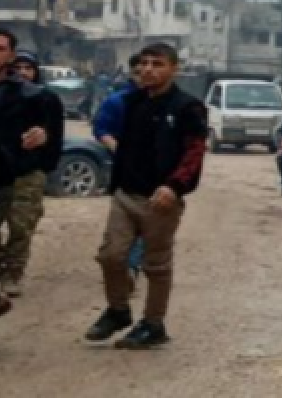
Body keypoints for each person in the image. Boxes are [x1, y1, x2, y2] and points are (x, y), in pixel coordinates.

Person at [85, 42, 207, 349]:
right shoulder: (130, 102)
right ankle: (118, 310)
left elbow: (194, 153)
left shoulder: (187, 107)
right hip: (126, 193)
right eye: (145, 63)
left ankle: (153, 324)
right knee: (111, 255)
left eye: (158, 64)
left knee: (156, 265)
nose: (149, 70)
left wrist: (175, 186)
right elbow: (107, 132)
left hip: (162, 198)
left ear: (174, 68)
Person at [0, 28, 49, 323]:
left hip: (8, 179)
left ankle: (9, 273)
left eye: (0, 48)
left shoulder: (32, 96)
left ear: (9, 55)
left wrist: (43, 136)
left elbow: (51, 135)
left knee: (15, 228)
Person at [0, 51, 64, 297]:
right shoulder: (1, 96)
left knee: (21, 225)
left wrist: (44, 164)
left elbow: (55, 136)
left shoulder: (45, 99)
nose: (23, 72)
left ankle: (13, 271)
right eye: (18, 67)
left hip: (29, 173)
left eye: (29, 68)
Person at [93, 53, 145, 280]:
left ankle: (132, 265)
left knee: (147, 219)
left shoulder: (173, 103)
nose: (146, 74)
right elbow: (101, 129)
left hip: (159, 172)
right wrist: (120, 150)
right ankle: (119, 260)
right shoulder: (118, 101)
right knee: (124, 216)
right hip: (124, 168)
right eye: (139, 70)